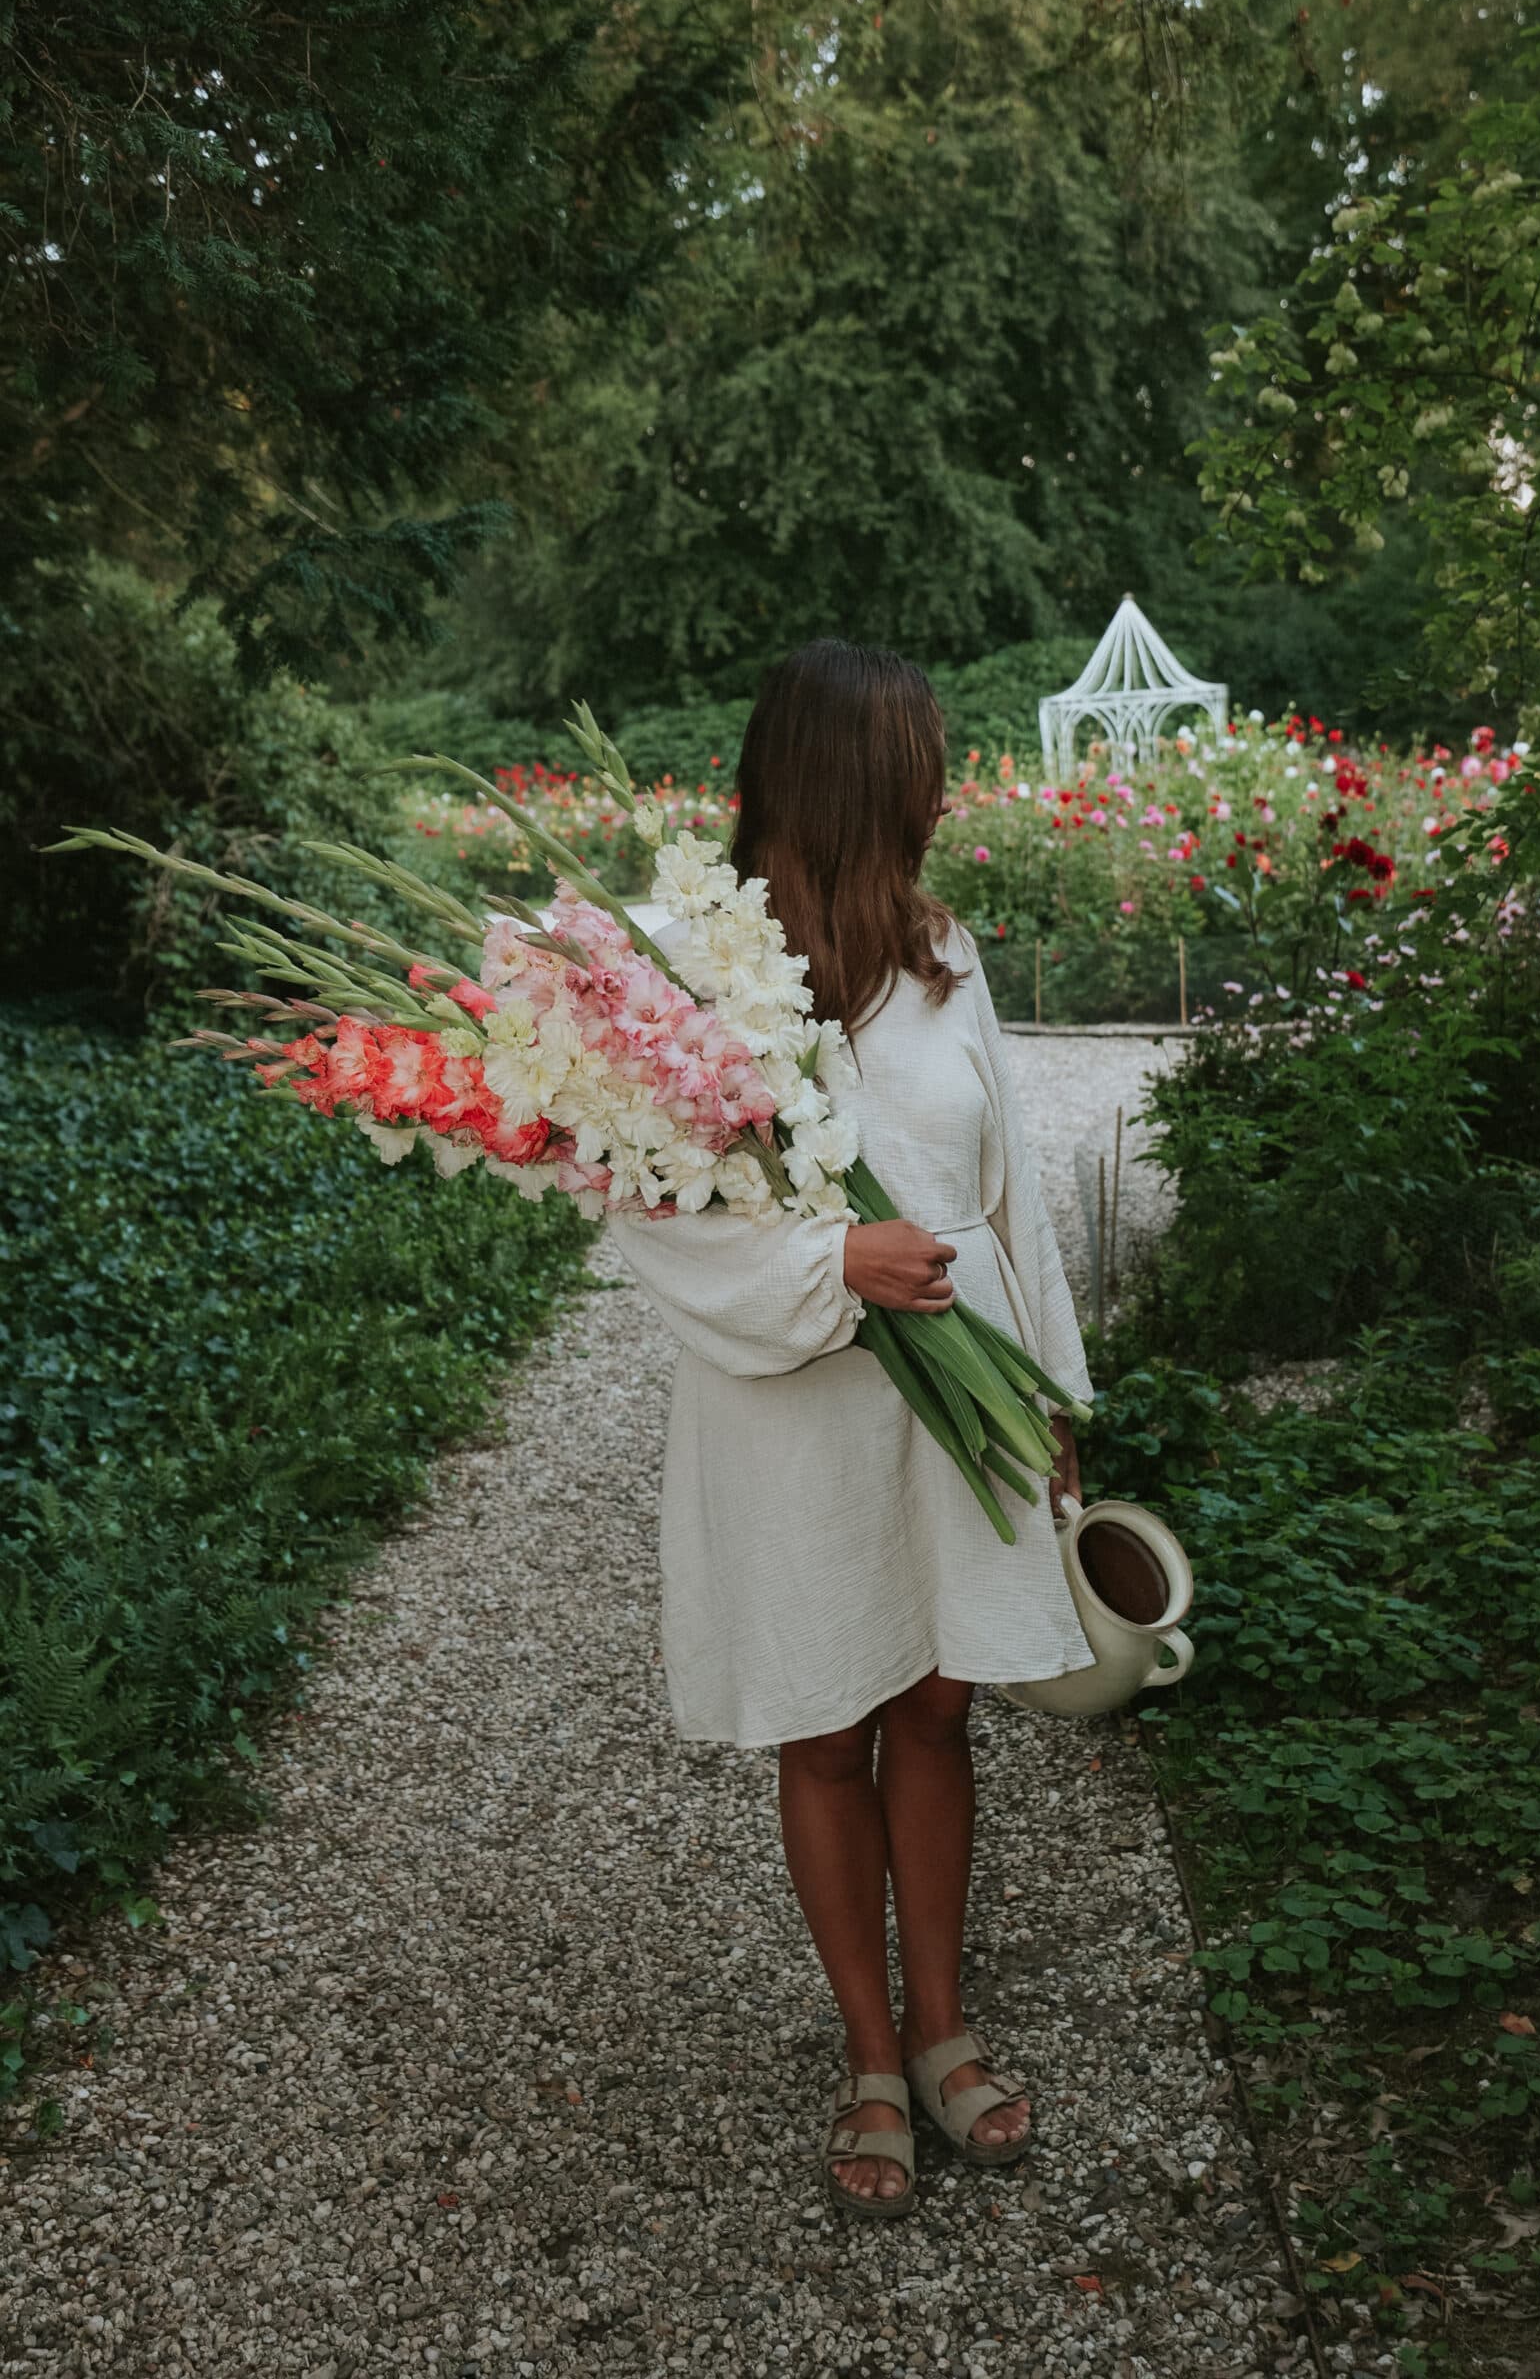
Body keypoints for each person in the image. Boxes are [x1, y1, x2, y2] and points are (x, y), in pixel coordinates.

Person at [609, 639, 1095, 2219]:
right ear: (853, 781)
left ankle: (948, 2028)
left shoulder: (945, 952)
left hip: (956, 1392)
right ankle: (872, 2054)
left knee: (941, 1714)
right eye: (922, 769)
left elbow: (1008, 1187)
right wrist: (833, 1261)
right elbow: (655, 1220)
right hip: (793, 1409)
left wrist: (1053, 1401)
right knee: (829, 1722)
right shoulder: (682, 971)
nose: (944, 793)